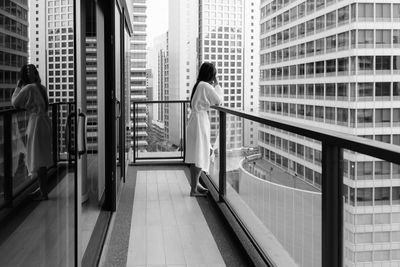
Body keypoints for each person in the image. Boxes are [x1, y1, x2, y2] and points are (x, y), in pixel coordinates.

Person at [12, 64, 52, 201]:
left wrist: (18, 86)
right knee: (42, 159)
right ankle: (43, 191)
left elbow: (15, 102)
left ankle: (44, 193)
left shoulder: (28, 88)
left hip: (36, 125)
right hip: (46, 123)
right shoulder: (42, 88)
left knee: (37, 158)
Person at [186, 62, 223, 197]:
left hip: (194, 121)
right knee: (201, 154)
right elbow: (218, 100)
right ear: (212, 74)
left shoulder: (199, 84)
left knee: (197, 154)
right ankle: (194, 189)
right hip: (200, 122)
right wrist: (217, 83)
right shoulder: (206, 86)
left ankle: (195, 186)